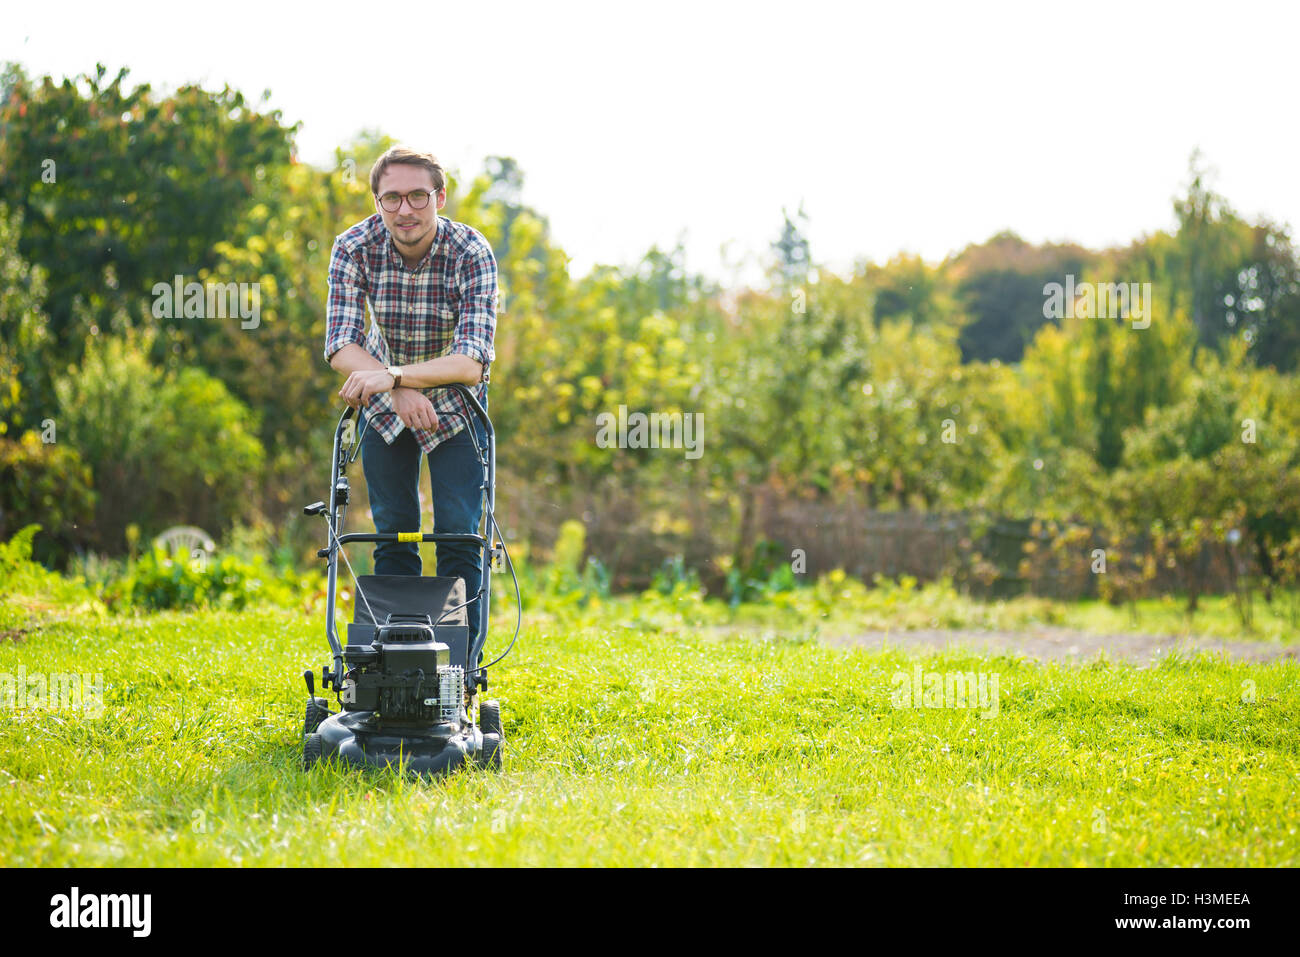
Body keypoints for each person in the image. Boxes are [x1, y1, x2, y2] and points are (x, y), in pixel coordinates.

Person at [323, 146, 497, 654]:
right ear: (377, 202)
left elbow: (471, 362)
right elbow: (339, 343)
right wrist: (395, 388)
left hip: (457, 409)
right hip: (381, 403)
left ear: (439, 197)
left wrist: (400, 378)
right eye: (391, 198)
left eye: (418, 196)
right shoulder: (353, 246)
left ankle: (459, 666)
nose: (405, 210)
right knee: (393, 531)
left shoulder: (471, 251)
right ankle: (395, 657)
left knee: (458, 533)